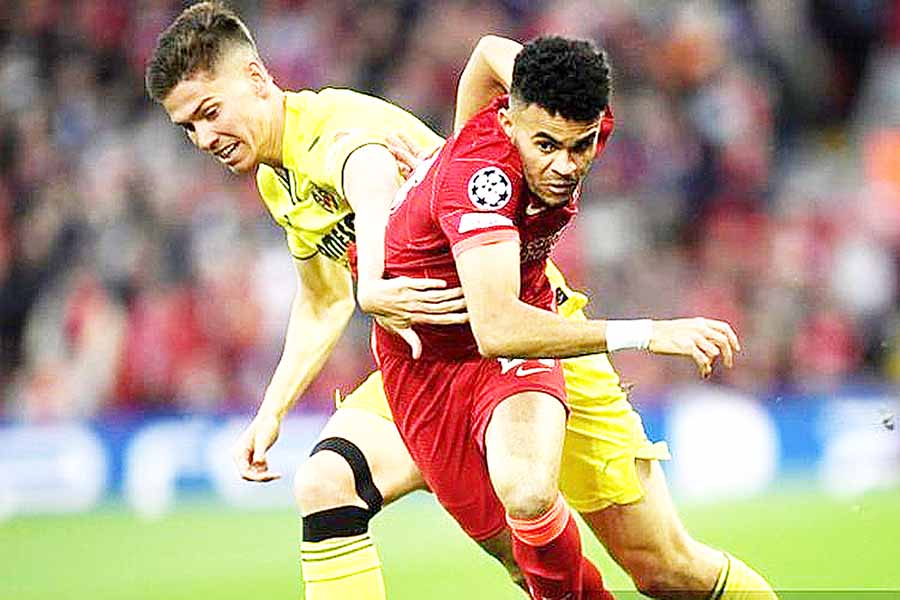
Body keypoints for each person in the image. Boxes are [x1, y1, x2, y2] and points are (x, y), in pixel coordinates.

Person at [146, 3, 776, 599]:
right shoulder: (277, 178)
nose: (203, 136)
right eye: (188, 127)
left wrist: (541, 104)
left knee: (663, 567)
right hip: (429, 365)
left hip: (531, 337)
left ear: (257, 79)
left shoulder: (333, 130)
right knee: (330, 485)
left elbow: (368, 173)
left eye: (210, 111)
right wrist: (271, 411)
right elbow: (321, 300)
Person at [377, 35, 777, 600]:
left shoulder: (575, 113)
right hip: (430, 366)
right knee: (522, 561)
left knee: (591, 528)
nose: (565, 165)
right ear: (510, 121)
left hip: (525, 331)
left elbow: (489, 51)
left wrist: (456, 139)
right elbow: (496, 328)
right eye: (545, 145)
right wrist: (650, 334)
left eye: (580, 146)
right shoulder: (482, 183)